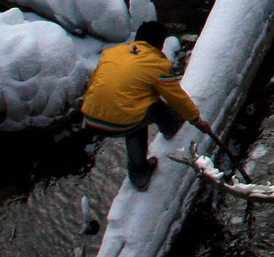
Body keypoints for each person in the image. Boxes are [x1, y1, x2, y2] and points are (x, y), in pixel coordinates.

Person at [81, 21, 211, 190]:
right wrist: (196, 120)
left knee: (133, 109)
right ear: (159, 43)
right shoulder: (156, 64)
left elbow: (93, 83)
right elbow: (176, 97)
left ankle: (139, 176)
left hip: (90, 118)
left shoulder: (113, 53)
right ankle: (166, 134)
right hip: (123, 121)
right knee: (146, 113)